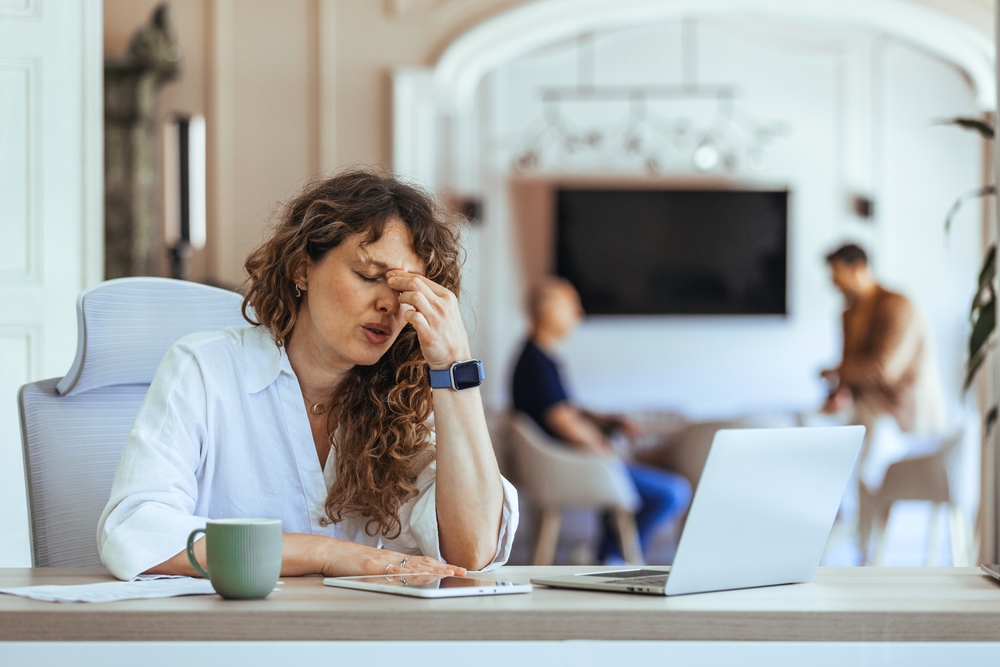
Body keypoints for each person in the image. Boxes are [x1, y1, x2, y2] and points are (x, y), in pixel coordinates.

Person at [98, 169, 518, 581]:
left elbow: (474, 550)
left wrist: (453, 366)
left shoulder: (407, 400)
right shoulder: (205, 370)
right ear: (302, 268)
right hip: (231, 639)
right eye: (369, 276)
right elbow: (134, 531)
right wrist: (325, 554)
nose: (389, 305)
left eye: (405, 292)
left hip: (361, 641)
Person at [511, 277, 691, 563]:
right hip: (572, 465)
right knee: (673, 492)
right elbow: (562, 420)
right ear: (548, 309)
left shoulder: (539, 358)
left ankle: (609, 553)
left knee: (652, 480)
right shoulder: (535, 363)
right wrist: (607, 452)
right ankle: (614, 554)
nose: (578, 313)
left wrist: (608, 420)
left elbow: (566, 408)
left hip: (575, 462)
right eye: (572, 305)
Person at [820, 243, 946, 505]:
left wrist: (838, 370)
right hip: (866, 409)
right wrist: (839, 391)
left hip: (901, 412)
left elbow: (884, 370)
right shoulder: (849, 313)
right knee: (817, 428)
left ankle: (864, 535)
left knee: (868, 456)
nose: (833, 284)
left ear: (859, 269)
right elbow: (851, 369)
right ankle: (833, 519)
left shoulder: (897, 306)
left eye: (837, 275)